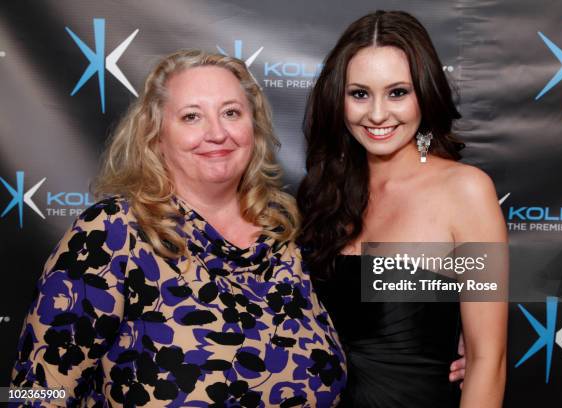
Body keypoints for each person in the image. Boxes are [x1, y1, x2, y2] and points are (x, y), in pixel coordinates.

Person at [11, 50, 346, 407]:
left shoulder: (285, 227)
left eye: (231, 113)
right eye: (191, 117)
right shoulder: (112, 233)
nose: (217, 133)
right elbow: (34, 392)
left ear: (254, 126)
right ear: (156, 137)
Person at [298, 10, 507, 408]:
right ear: (338, 99)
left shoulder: (466, 191)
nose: (377, 114)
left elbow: (486, 361)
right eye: (359, 94)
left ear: (424, 95)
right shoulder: (322, 195)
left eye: (397, 92)